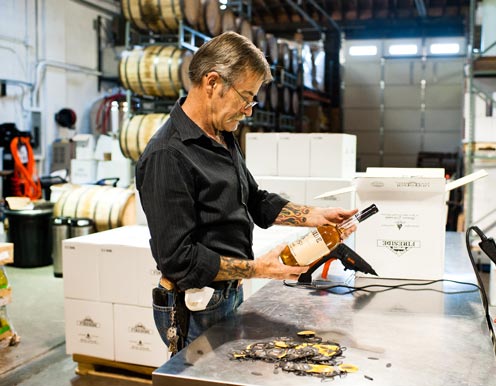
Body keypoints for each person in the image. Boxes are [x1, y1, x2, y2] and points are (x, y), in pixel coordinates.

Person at [135, 31, 357, 354]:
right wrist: (260, 268)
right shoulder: (167, 154)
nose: (249, 110)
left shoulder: (221, 136)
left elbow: (255, 199)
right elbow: (178, 259)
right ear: (212, 83)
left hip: (227, 293)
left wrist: (314, 216)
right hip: (195, 305)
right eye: (246, 97)